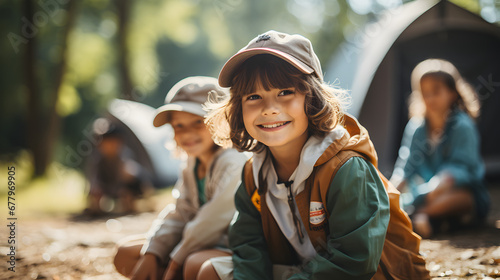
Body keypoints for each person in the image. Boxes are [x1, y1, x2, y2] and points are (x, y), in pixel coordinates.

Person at [204, 30, 429, 280]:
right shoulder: (254, 173)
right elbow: (248, 245)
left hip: (371, 275)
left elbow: (354, 261)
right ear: (238, 108)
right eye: (254, 97)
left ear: (311, 98)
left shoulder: (347, 168)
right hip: (304, 271)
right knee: (206, 271)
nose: (269, 109)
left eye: (285, 92)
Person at [113, 76, 248, 280]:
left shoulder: (234, 161)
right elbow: (180, 213)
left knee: (194, 263)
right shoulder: (191, 163)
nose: (187, 133)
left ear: (221, 120)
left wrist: (175, 261)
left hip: (232, 247)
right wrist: (153, 252)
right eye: (179, 126)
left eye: (197, 122)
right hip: (196, 244)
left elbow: (211, 222)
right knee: (126, 254)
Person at [391, 59, 490, 238]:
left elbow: (463, 167)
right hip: (423, 193)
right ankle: (432, 221)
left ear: (452, 93)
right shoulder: (416, 127)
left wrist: (438, 185)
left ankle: (417, 217)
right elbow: (406, 166)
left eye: (436, 91)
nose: (430, 98)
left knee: (461, 199)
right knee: (399, 197)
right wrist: (391, 192)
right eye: (425, 93)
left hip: (453, 191)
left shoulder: (462, 126)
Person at [85, 123, 149, 215]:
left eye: (113, 142)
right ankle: (97, 210)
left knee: (128, 186)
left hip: (122, 186)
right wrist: (95, 189)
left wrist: (120, 189)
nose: (110, 146)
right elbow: (93, 178)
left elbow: (128, 176)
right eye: (107, 143)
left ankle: (131, 206)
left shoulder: (124, 155)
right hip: (106, 186)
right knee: (95, 192)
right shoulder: (97, 159)